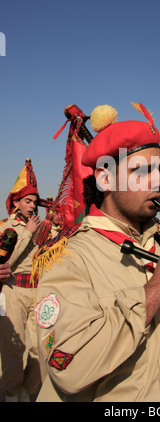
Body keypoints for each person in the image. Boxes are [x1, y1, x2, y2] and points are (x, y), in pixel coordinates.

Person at [34, 103, 160, 402]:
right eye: (142, 171)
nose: (159, 182)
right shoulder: (70, 258)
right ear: (105, 179)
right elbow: (70, 367)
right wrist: (157, 288)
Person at [0, 159, 43, 402]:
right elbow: (6, 262)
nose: (32, 206)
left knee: (41, 347)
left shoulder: (39, 226)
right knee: (13, 348)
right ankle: (12, 392)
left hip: (36, 291)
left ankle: (27, 388)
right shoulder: (8, 227)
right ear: (16, 201)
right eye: (28, 201)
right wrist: (27, 233)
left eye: (35, 202)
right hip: (12, 291)